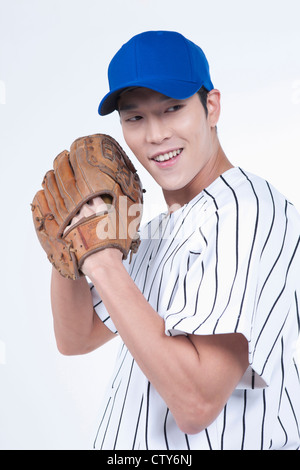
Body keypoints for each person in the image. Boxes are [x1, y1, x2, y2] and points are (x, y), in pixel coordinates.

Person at [51, 31, 300, 450]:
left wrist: (101, 260)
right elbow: (77, 338)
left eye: (173, 109)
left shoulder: (244, 213)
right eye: (136, 118)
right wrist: (70, 242)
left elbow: (196, 404)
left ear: (212, 107)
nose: (155, 135)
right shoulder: (152, 231)